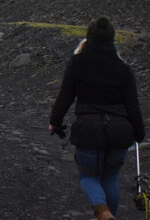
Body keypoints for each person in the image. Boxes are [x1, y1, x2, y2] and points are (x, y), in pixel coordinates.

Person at [49, 17, 145, 220]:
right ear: (112, 39)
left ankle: (102, 211)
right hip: (120, 131)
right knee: (110, 177)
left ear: (88, 38)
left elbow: (65, 97)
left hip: (88, 129)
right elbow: (133, 107)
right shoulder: (124, 69)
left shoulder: (78, 63)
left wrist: (55, 121)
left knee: (88, 176)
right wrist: (139, 132)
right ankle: (111, 214)